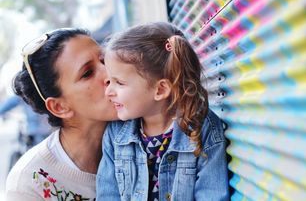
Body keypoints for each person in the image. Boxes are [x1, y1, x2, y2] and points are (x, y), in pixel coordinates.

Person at [96, 22, 229, 200]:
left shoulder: (202, 128)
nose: (108, 92)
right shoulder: (116, 134)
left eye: (119, 82)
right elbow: (108, 195)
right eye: (109, 81)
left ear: (160, 90)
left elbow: (211, 195)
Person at [6, 28, 117, 200]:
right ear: (59, 107)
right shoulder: (29, 182)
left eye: (104, 60)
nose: (109, 73)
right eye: (87, 73)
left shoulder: (147, 128)